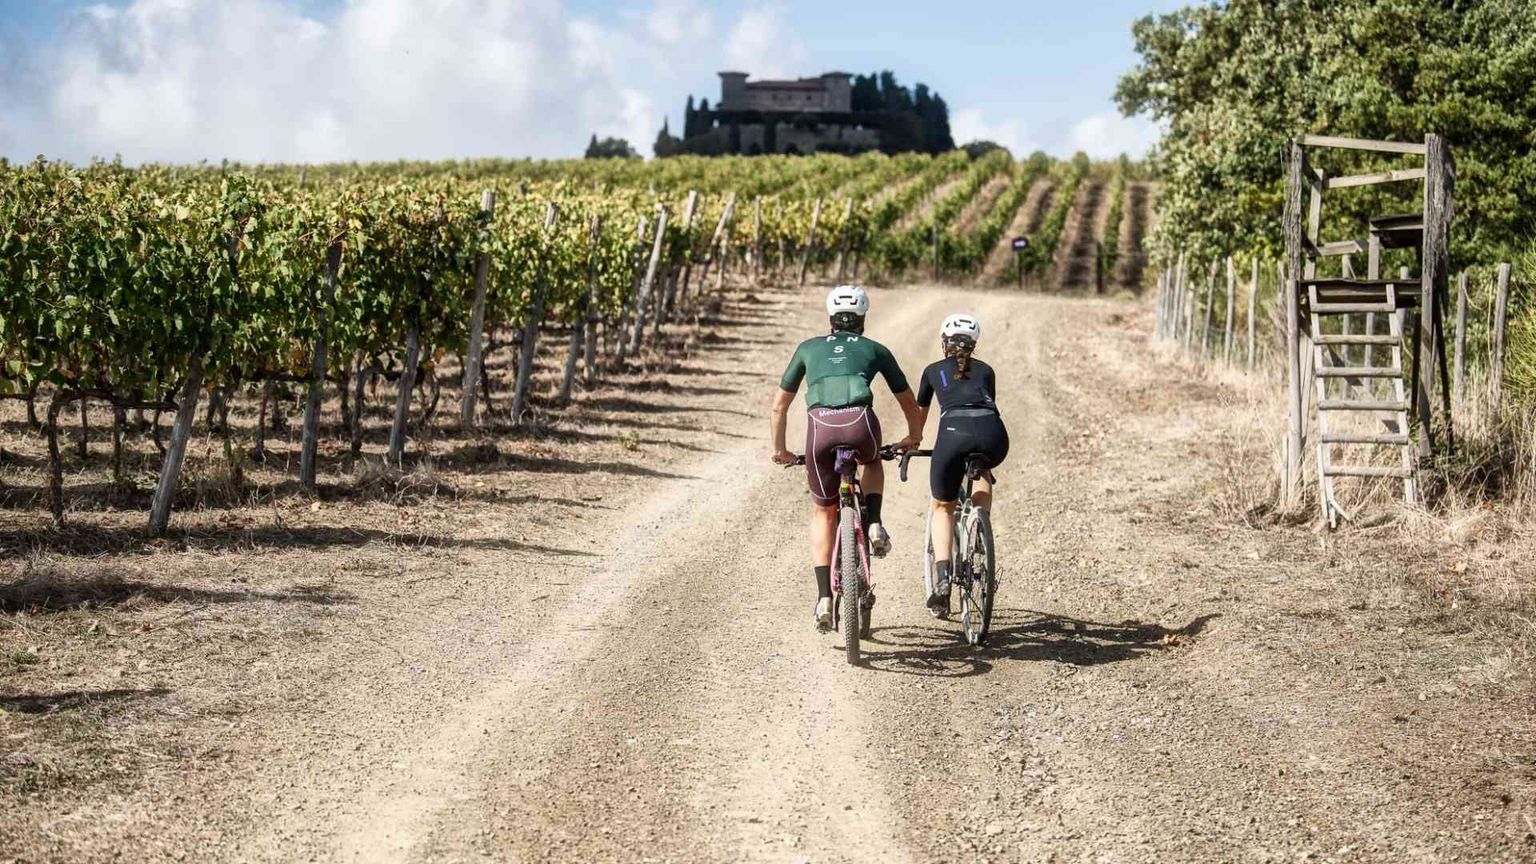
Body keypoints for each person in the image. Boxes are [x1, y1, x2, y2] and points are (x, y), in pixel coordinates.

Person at [770, 285, 925, 631]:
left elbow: (780, 405)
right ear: (862, 319)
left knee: (823, 511)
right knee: (870, 461)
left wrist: (780, 450)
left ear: (830, 318)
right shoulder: (875, 349)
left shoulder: (807, 348)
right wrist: (912, 438)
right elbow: (908, 402)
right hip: (860, 424)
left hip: (818, 431)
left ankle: (824, 597)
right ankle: (873, 523)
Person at [915, 313, 1009, 613]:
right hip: (994, 435)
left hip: (953, 434)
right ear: (974, 344)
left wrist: (909, 443)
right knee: (982, 469)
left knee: (943, 506)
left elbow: (919, 418)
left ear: (945, 342)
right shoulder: (988, 370)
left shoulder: (932, 370)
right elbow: (985, 403)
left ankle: (943, 582)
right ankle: (979, 525)